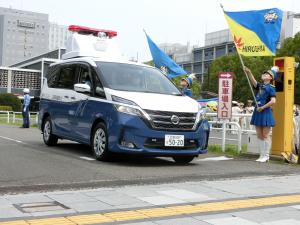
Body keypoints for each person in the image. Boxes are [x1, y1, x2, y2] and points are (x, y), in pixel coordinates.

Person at [244, 66, 277, 162]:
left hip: (265, 111)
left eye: (267, 74)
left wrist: (263, 107)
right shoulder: (260, 86)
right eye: (264, 74)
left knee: (265, 135)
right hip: (258, 111)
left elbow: (273, 101)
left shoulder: (271, 88)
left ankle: (266, 156)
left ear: (271, 78)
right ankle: (261, 155)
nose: (264, 75)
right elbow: (253, 81)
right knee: (259, 135)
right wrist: (249, 72)